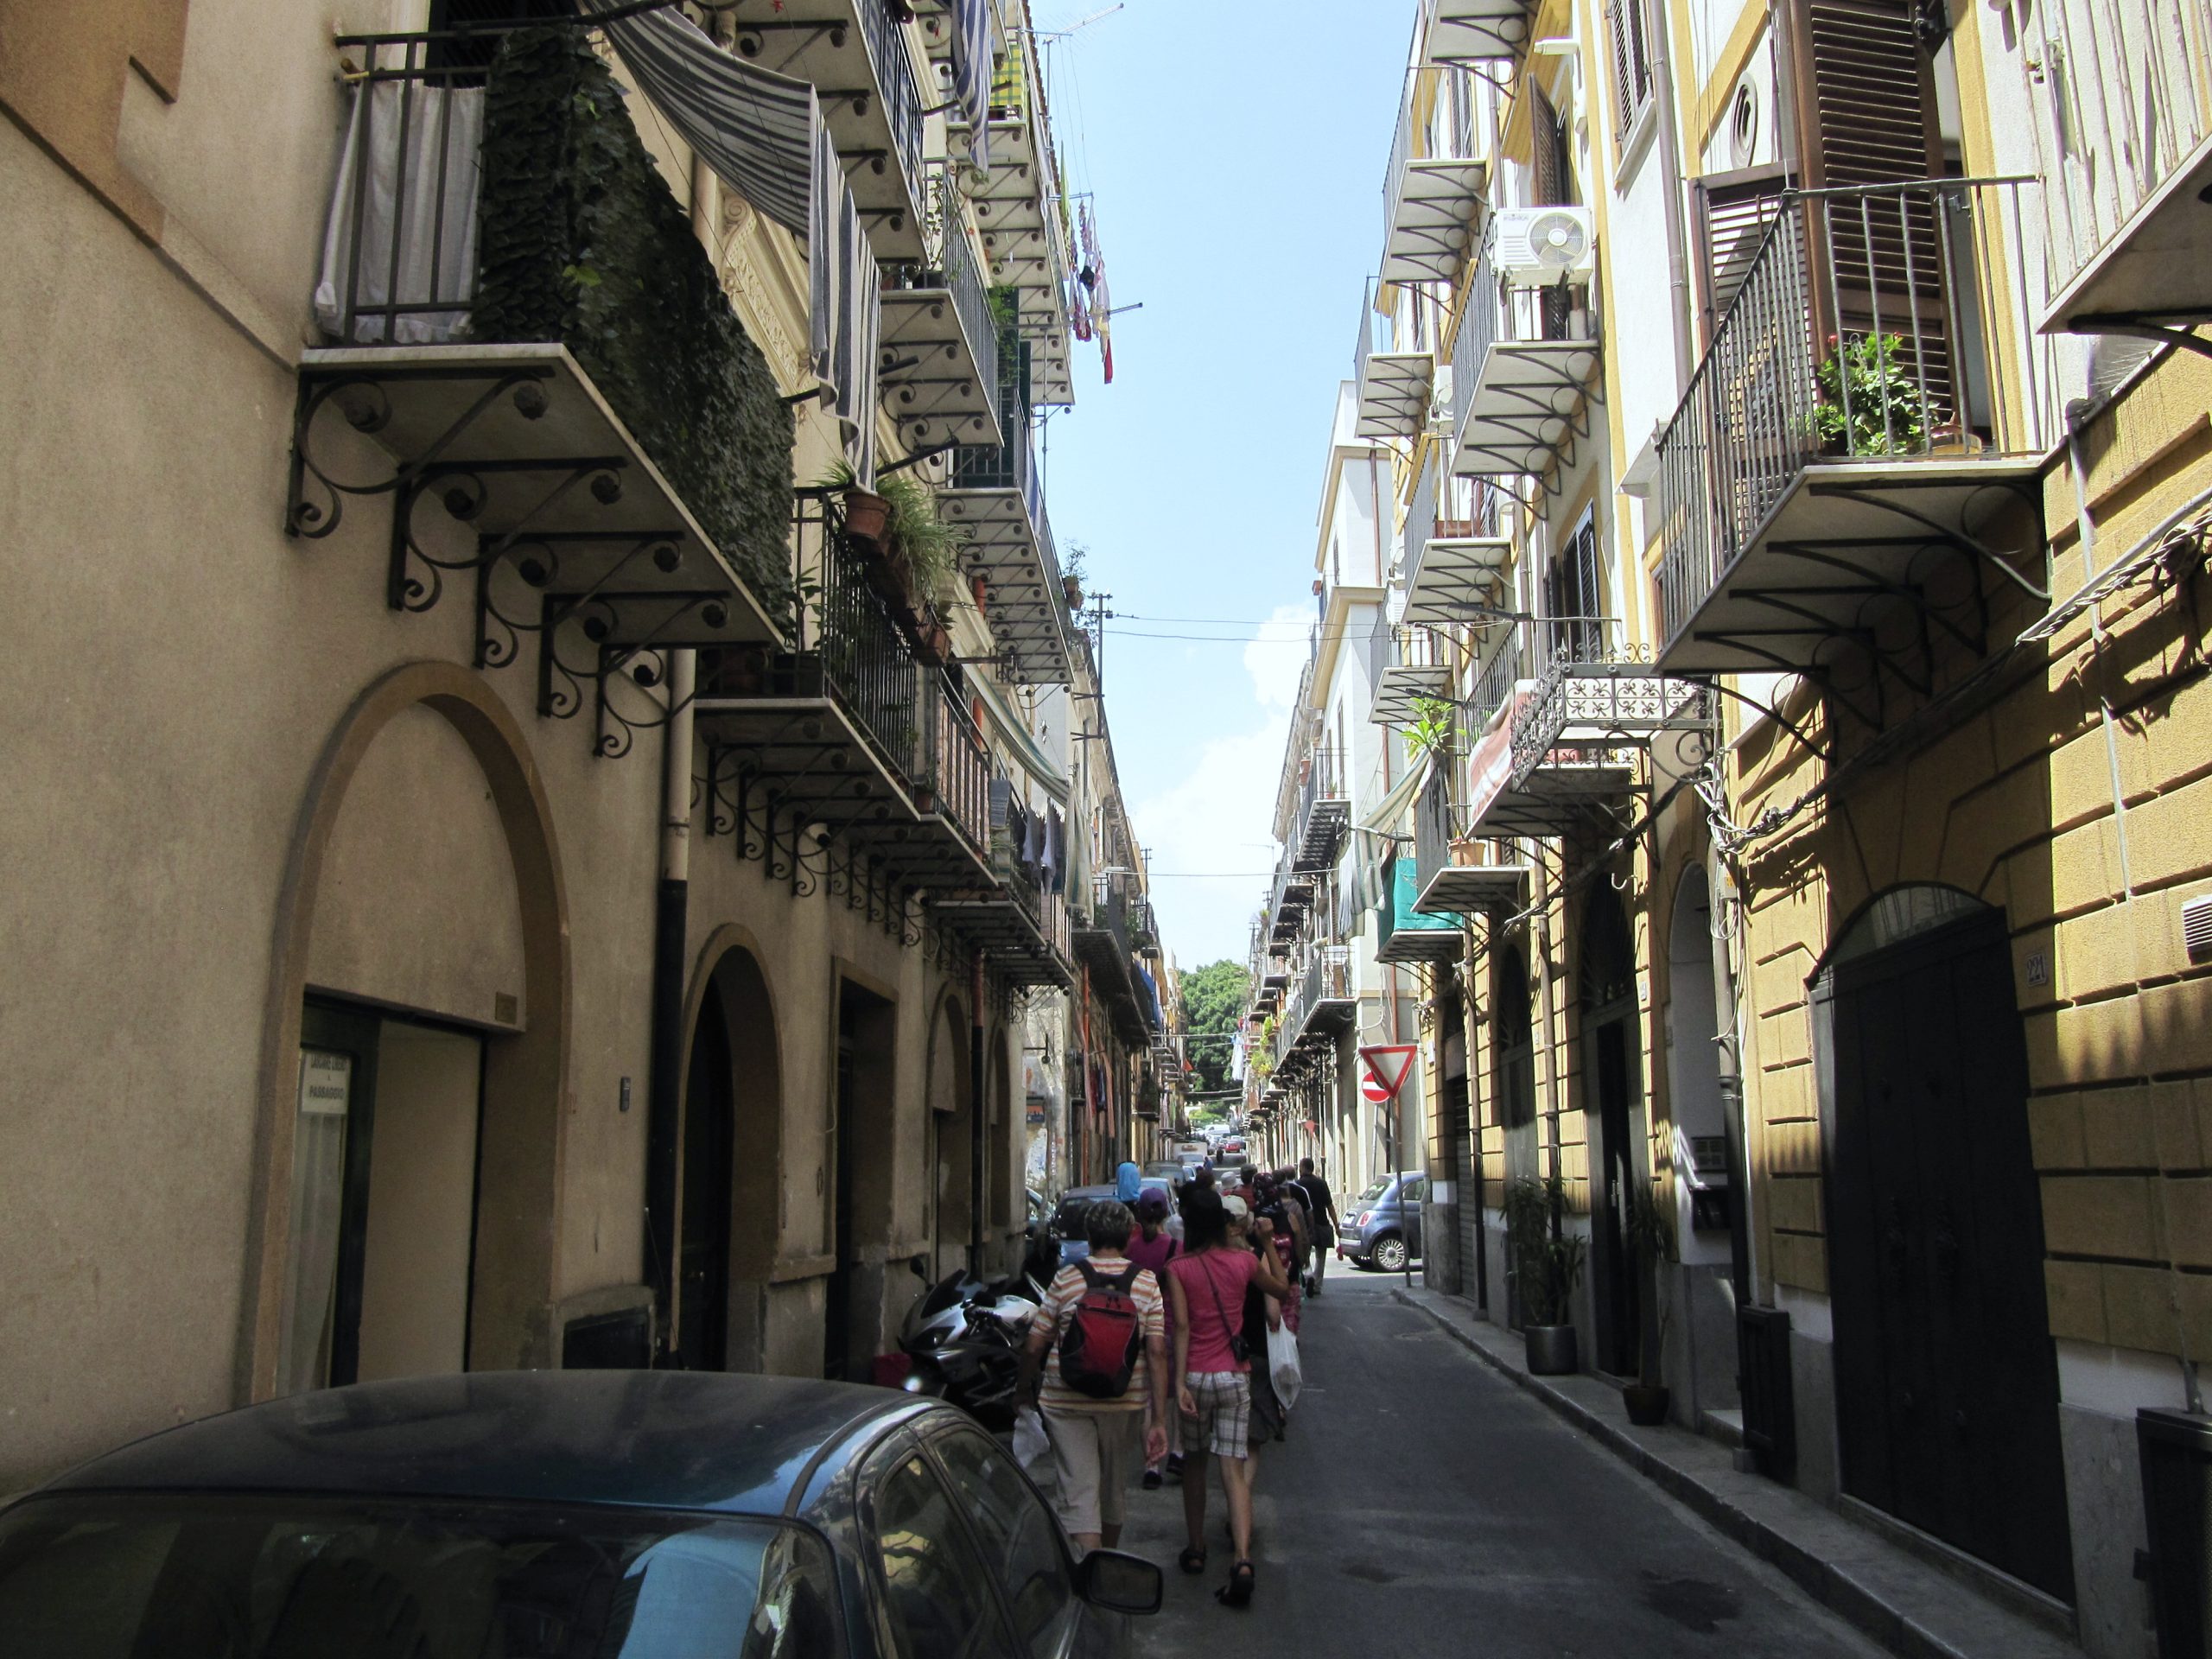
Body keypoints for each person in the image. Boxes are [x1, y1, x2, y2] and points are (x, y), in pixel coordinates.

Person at [1020, 1198, 1170, 1554]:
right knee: (1112, 1490)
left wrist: (1022, 1391)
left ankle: (1088, 1571)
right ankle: (1106, 1564)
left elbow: (1033, 1345)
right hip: (1124, 1399)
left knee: (1079, 1493)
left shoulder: (1067, 1279)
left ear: (1089, 1237)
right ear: (1129, 1237)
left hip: (1065, 1401)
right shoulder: (1146, 1283)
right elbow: (1157, 1352)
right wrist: (1159, 1419)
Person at [1166, 1189, 1292, 1609]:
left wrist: (1180, 1383)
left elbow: (1181, 1327)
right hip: (1234, 1378)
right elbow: (1283, 1289)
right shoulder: (1243, 1261)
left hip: (1197, 1377)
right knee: (1233, 1470)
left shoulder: (1178, 1267)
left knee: (1195, 1466)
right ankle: (1241, 1560)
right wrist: (1269, 1243)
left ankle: (1197, 1549)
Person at [1124, 1189, 1181, 1489]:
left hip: (1136, 1331)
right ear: (1166, 1215)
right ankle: (1176, 1452)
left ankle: (1151, 1466)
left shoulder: (1129, 1249)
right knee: (1171, 1398)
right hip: (1168, 1328)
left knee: (1147, 1400)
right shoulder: (1176, 1247)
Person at [1295, 1158, 1341, 1296]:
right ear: (1313, 1168)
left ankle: (1308, 1277)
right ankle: (1317, 1284)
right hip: (1321, 1222)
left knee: (1304, 1255)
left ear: (1302, 1168)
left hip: (1305, 1226)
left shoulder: (1298, 1185)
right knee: (1321, 1256)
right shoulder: (1322, 1183)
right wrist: (1336, 1225)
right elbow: (1330, 1206)